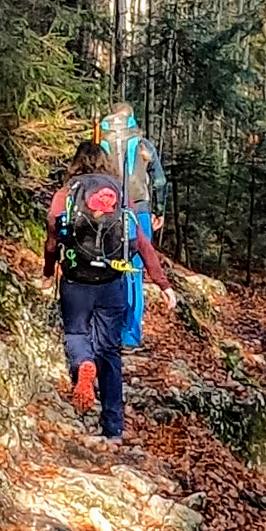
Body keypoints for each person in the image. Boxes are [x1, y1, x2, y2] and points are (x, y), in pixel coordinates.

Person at [42, 142, 175, 445]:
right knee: (111, 353)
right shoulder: (118, 193)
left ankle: (83, 364)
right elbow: (141, 243)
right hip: (112, 281)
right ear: (105, 164)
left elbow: (52, 236)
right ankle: (113, 427)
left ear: (75, 164)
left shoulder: (67, 194)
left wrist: (49, 273)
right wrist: (163, 285)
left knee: (76, 334)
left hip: (76, 280)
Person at [98, 104, 168, 348]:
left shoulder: (101, 143)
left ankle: (109, 330)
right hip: (140, 211)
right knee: (135, 272)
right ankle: (131, 333)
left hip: (108, 212)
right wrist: (160, 210)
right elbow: (159, 180)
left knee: (109, 269)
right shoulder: (143, 145)